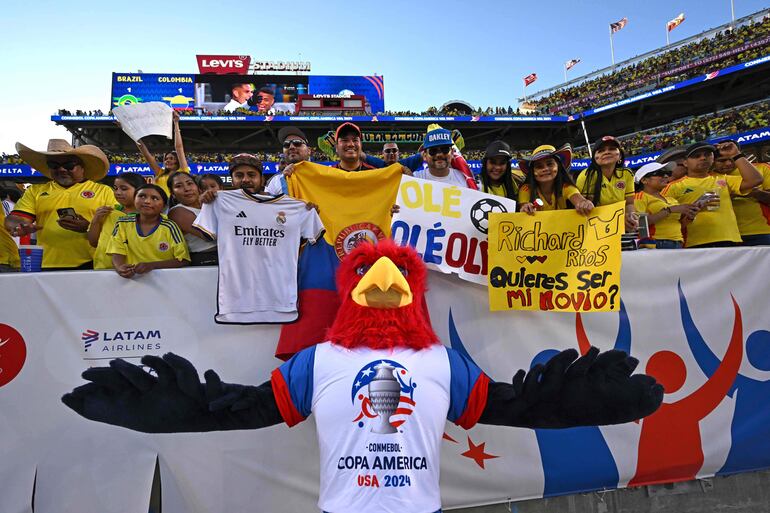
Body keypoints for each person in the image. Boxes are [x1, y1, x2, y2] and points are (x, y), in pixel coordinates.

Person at [6, 139, 114, 270]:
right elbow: (14, 218)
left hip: (91, 263)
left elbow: (116, 229)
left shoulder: (103, 191)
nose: (61, 169)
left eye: (69, 165)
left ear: (82, 166)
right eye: (54, 165)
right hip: (46, 264)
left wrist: (88, 227)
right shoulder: (35, 191)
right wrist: (19, 226)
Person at [662, 142, 762, 248]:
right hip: (693, 242)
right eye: (696, 156)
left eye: (707, 154)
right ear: (685, 163)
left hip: (729, 239)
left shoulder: (723, 179)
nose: (703, 158)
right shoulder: (673, 187)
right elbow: (664, 215)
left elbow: (755, 180)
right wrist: (692, 208)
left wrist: (735, 154)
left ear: (713, 159)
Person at [107, 184, 189, 279]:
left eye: (154, 198)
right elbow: (116, 251)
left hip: (165, 281)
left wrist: (152, 265)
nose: (147, 201)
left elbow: (183, 259)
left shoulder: (169, 226)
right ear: (134, 200)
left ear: (163, 206)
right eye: (142, 196)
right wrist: (120, 267)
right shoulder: (122, 223)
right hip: (131, 280)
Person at [713, 140, 770, 246]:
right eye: (722, 160)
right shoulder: (707, 177)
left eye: (732, 159)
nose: (728, 164)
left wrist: (754, 193)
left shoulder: (761, 168)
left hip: (761, 231)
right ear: (712, 160)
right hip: (725, 235)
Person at [575, 136, 638, 231]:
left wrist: (630, 216)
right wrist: (617, 219)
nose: (607, 152)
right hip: (594, 228)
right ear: (595, 158)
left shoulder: (627, 174)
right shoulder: (586, 176)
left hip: (621, 227)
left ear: (620, 155)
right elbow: (582, 210)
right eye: (601, 151)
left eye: (612, 149)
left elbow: (629, 203)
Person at [633, 162, 699, 249]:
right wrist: (669, 210)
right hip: (655, 242)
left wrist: (690, 217)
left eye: (667, 174)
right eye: (659, 174)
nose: (666, 176)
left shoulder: (671, 199)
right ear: (644, 180)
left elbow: (679, 225)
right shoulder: (639, 197)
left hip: (678, 242)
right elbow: (639, 223)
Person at [88, 172, 145, 269]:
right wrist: (96, 220)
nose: (117, 192)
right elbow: (93, 242)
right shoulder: (107, 212)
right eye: (115, 188)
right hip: (104, 269)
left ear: (140, 190)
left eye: (124, 189)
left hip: (133, 270)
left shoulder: (148, 216)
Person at [517, 144, 594, 215]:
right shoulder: (526, 189)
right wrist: (525, 207)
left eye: (550, 164)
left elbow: (579, 199)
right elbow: (523, 205)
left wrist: (584, 203)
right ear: (533, 172)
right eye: (539, 166)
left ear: (558, 167)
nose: (545, 169)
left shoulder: (567, 187)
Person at [167, 172, 218, 265]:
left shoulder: (212, 203)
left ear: (197, 187)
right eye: (179, 186)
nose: (187, 189)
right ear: (172, 193)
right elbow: (209, 235)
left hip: (223, 253)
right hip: (204, 258)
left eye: (190, 183)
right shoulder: (176, 212)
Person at [135, 111, 190, 196]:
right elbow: (146, 154)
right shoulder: (160, 173)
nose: (167, 161)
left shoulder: (183, 171)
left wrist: (176, 123)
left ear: (177, 161)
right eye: (166, 159)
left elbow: (179, 148)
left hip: (175, 206)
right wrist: (133, 134)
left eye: (171, 158)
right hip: (159, 206)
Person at [265, 126, 312, 195]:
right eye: (286, 144)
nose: (291, 147)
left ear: (309, 151)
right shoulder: (274, 182)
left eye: (297, 143)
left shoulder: (322, 176)